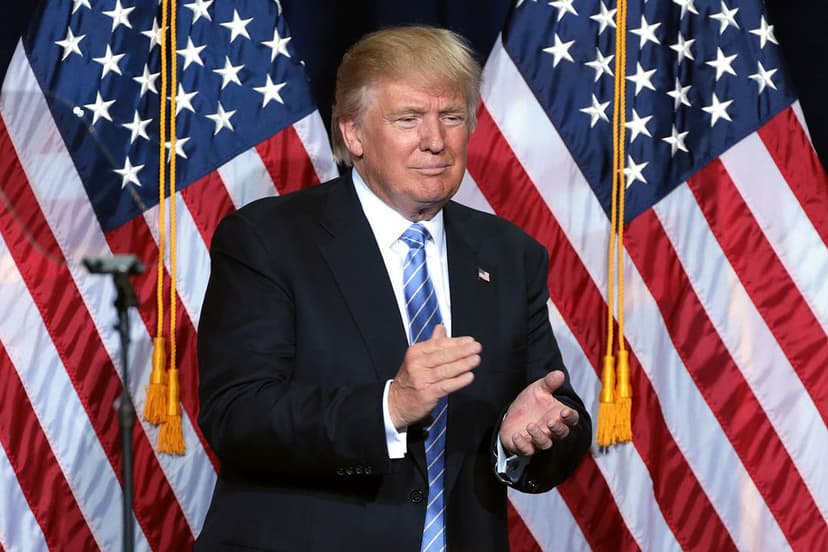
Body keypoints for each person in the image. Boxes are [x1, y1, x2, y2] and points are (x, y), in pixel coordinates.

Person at [196, 25, 591, 551]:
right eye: (408, 119)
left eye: (451, 117)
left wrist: (523, 439)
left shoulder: (508, 253)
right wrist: (390, 407)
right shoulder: (268, 241)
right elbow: (237, 416)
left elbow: (550, 404)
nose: (435, 140)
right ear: (353, 134)